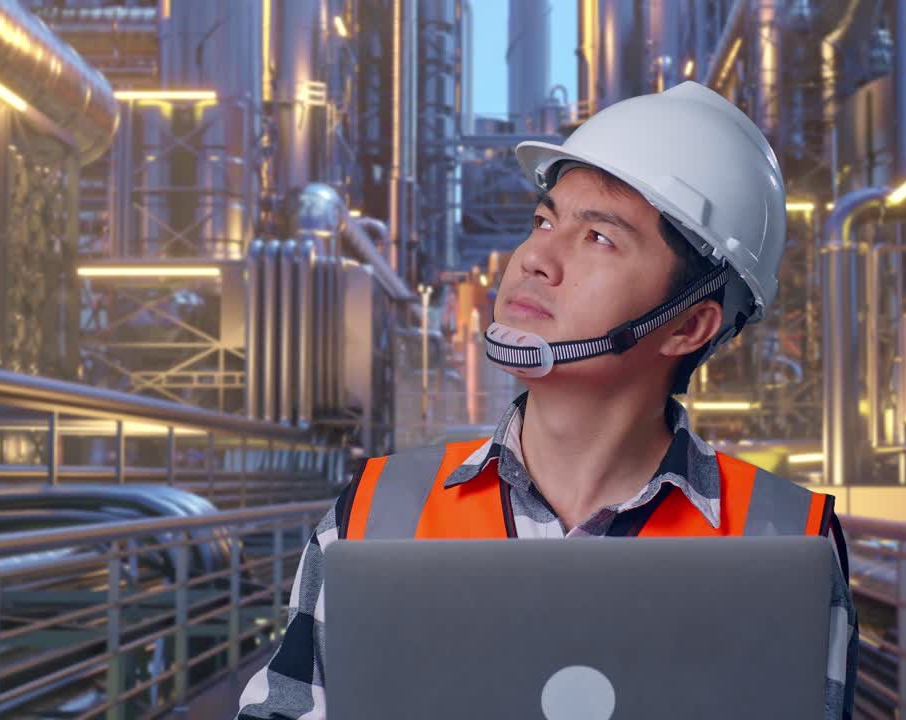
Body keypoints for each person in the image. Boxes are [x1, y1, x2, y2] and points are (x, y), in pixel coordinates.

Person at [237, 80, 858, 720]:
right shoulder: (372, 515)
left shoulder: (789, 538)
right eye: (544, 220)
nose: (536, 256)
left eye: (598, 238)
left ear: (688, 326)